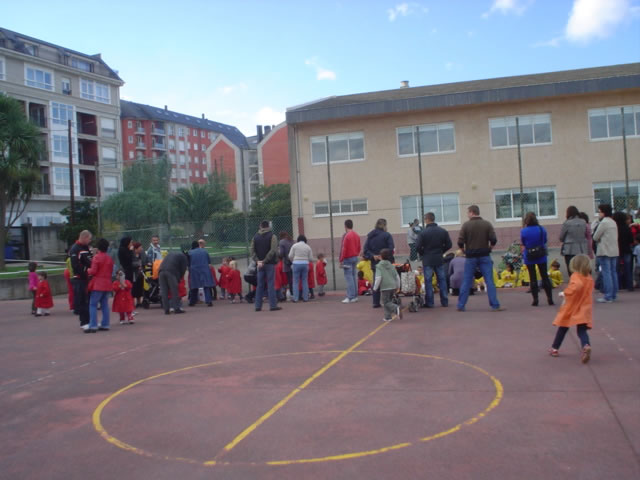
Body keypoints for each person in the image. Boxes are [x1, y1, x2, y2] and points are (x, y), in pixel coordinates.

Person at [456, 205, 503, 312]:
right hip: (484, 255)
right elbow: (493, 239)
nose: (467, 215)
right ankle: (495, 305)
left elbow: (460, 241)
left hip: (471, 256)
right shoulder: (487, 224)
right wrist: (490, 248)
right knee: (489, 281)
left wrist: (463, 250)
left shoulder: (466, 225)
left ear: (472, 212)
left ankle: (461, 305)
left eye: (468, 213)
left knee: (467, 280)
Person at [548, 254, 593, 364]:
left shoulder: (575, 276)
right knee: (581, 330)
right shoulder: (589, 278)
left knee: (563, 327)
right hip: (584, 306)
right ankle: (586, 345)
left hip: (572, 306)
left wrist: (565, 293)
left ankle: (554, 348)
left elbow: (577, 286)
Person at [415, 212, 452, 308]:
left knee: (428, 281)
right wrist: (441, 251)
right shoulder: (443, 231)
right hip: (439, 258)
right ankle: (444, 301)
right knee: (442, 280)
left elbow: (418, 247)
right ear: (433, 219)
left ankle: (430, 302)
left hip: (427, 259)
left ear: (427, 220)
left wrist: (423, 253)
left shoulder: (423, 233)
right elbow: (449, 245)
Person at [520, 212, 554, 306]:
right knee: (544, 276)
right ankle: (550, 298)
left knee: (532, 277)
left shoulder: (524, 231)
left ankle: (535, 300)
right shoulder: (541, 229)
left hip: (529, 255)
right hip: (541, 255)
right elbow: (545, 240)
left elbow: (523, 242)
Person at [363, 218, 394, 309]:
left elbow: (365, 250)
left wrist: (373, 256)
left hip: (375, 262)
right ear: (384, 226)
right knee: (388, 282)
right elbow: (391, 248)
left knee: (376, 281)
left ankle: (375, 302)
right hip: (386, 262)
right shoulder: (387, 235)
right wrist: (383, 255)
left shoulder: (370, 235)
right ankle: (388, 301)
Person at [250, 220, 281, 312]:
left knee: (260, 285)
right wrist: (265, 260)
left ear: (260, 226)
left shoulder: (255, 237)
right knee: (271, 284)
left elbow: (252, 251)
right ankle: (273, 305)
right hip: (269, 263)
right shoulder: (272, 236)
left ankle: (258, 306)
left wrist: (258, 261)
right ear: (268, 226)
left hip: (259, 264)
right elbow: (273, 250)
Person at [593, 204, 619, 303]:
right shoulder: (613, 222)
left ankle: (608, 295)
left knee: (606, 273)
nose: (599, 214)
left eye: (599, 211)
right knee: (613, 272)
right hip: (614, 250)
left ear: (603, 212)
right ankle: (613, 294)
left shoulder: (603, 222)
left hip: (604, 250)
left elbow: (595, 236)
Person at [87, 238, 114, 333]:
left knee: (93, 304)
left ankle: (93, 325)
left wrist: (87, 270)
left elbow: (93, 271)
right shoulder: (109, 258)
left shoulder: (96, 257)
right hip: (107, 283)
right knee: (105, 305)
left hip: (98, 283)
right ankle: (105, 324)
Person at [69, 230, 93, 330]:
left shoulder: (86, 248)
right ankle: (84, 322)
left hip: (87, 278)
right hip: (80, 279)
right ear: (84, 237)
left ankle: (89, 320)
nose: (90, 241)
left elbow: (90, 261)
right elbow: (75, 265)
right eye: (89, 239)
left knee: (88, 300)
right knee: (82, 300)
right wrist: (87, 271)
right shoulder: (75, 249)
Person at [373, 248, 401, 322]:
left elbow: (378, 278)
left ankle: (396, 308)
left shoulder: (379, 266)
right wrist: (398, 286)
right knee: (389, 301)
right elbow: (397, 277)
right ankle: (387, 317)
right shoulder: (392, 266)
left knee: (385, 302)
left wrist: (375, 287)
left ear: (380, 256)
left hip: (385, 286)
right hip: (393, 286)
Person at [559, 206, 587, 274]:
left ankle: (574, 280)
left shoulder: (567, 223)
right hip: (581, 248)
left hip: (570, 249)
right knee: (580, 268)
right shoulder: (583, 222)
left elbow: (561, 237)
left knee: (571, 269)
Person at [339, 219, 362, 304]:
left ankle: (350, 296)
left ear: (345, 226)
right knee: (353, 276)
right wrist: (356, 253)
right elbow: (359, 247)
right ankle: (354, 296)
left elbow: (344, 249)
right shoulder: (356, 235)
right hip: (354, 257)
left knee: (349, 278)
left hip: (347, 258)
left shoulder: (347, 236)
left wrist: (341, 259)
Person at [188, 239, 214, 307]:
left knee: (194, 286)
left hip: (194, 271)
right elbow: (209, 261)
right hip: (204, 270)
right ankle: (208, 301)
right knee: (206, 286)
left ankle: (192, 301)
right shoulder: (204, 251)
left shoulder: (190, 252)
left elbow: (188, 263)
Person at [613, 212, 634, 292]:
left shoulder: (615, 228)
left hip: (617, 250)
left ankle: (618, 285)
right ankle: (630, 286)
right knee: (628, 269)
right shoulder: (627, 228)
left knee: (616, 269)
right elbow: (631, 240)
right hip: (626, 249)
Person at [289, 234, 313, 302]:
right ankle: (305, 298)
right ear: (305, 240)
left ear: (298, 239)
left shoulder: (294, 246)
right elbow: (311, 258)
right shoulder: (308, 247)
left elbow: (290, 256)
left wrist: (293, 261)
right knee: (304, 281)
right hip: (305, 264)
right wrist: (306, 260)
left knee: (295, 282)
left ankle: (295, 298)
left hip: (296, 263)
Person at [278, 232, 294, 299]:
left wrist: (278, 257)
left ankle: (292, 294)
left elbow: (281, 253)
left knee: (289, 280)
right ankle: (296, 293)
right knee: (294, 279)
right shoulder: (291, 241)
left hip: (287, 262)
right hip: (293, 262)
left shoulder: (282, 242)